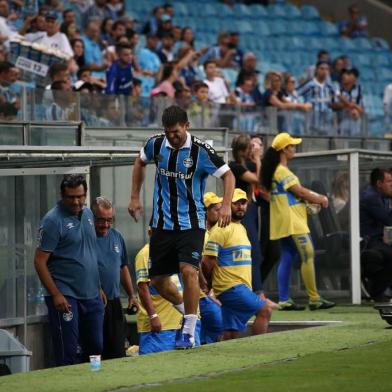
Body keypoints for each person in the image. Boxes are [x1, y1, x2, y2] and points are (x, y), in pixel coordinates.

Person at [128, 105, 235, 349]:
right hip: (162, 225)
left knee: (188, 270)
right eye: (168, 132)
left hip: (192, 224)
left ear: (186, 126)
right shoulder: (155, 144)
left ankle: (187, 329)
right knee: (158, 280)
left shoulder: (201, 151)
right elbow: (140, 161)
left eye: (176, 131)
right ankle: (190, 312)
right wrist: (134, 197)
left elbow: (228, 175)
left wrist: (226, 204)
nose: (172, 136)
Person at [33, 175, 105, 366]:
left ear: (86, 194)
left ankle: (95, 382)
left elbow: (89, 253)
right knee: (68, 351)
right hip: (66, 295)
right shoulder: (52, 221)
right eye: (71, 197)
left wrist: (98, 287)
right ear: (62, 196)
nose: (76, 202)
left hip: (92, 294)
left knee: (96, 346)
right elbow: (39, 261)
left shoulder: (89, 214)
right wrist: (56, 294)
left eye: (80, 197)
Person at [261, 133, 336, 311]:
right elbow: (300, 192)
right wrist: (320, 198)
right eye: (291, 146)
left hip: (285, 221)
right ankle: (314, 298)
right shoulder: (282, 171)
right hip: (293, 221)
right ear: (283, 150)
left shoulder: (275, 171)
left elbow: (295, 194)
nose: (294, 149)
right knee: (308, 254)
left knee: (288, 255)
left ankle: (284, 299)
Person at [202, 188, 272, 340]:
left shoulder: (241, 228)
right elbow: (208, 261)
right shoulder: (221, 227)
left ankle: (224, 361)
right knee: (264, 310)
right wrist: (207, 284)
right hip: (230, 286)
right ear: (228, 205)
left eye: (243, 203)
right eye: (236, 204)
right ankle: (259, 350)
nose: (241, 207)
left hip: (238, 286)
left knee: (231, 331)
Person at [92, 196, 138, 359]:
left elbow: (123, 266)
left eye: (109, 220)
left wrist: (132, 295)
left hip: (114, 302)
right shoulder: (86, 238)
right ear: (92, 218)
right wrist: (95, 288)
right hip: (93, 302)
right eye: (101, 220)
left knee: (118, 350)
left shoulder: (117, 236)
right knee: (96, 350)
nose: (105, 225)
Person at [135, 230, 185, 355]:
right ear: (150, 233)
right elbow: (142, 288)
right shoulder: (145, 254)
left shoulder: (170, 252)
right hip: (159, 325)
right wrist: (153, 316)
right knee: (155, 365)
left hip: (176, 323)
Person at [360, 168, 392, 302]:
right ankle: (376, 291)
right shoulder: (371, 197)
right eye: (389, 181)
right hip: (366, 242)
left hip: (378, 239)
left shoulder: (381, 197)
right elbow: (388, 220)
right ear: (379, 183)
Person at [199, 192, 224, 344]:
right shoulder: (201, 234)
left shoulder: (220, 230)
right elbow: (201, 264)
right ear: (205, 212)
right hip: (205, 291)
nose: (220, 212)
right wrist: (209, 291)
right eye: (216, 209)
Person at [297, 61, 339, 134]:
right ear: (316, 70)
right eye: (322, 69)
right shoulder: (310, 85)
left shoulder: (330, 87)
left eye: (326, 69)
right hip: (311, 122)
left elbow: (335, 102)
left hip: (326, 122)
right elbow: (297, 96)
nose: (324, 71)